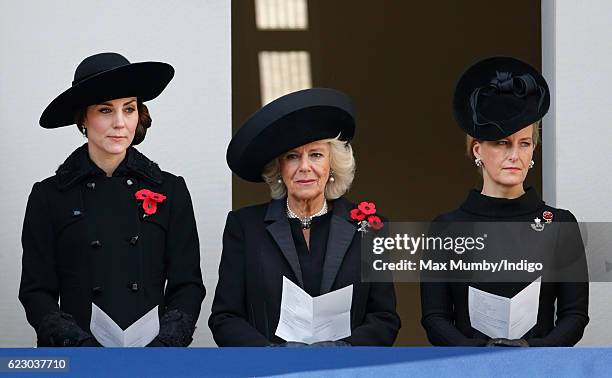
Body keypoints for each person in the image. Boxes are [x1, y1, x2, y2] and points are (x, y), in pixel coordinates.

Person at [19, 52, 205, 347]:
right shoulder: (48, 196)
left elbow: (188, 285)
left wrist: (164, 347)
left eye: (129, 109)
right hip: (77, 359)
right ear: (84, 118)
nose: (120, 123)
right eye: (106, 110)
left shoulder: (171, 190)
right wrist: (81, 347)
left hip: (153, 359)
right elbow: (36, 292)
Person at [209, 88, 400, 346]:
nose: (305, 167)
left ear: (332, 165)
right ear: (279, 169)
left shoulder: (369, 228)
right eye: (292, 157)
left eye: (316, 154)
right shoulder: (244, 227)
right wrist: (271, 354)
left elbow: (384, 318)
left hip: (346, 371)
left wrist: (342, 349)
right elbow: (225, 318)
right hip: (269, 373)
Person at [420, 56, 589, 347]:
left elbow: (574, 316)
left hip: (540, 370)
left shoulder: (560, 224)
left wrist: (531, 350)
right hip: (469, 369)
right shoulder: (446, 228)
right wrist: (481, 351)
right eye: (502, 143)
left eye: (524, 143)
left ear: (533, 149)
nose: (515, 155)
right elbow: (435, 318)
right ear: (477, 150)